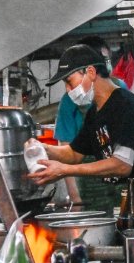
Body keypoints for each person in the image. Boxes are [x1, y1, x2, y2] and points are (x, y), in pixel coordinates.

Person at [29, 44, 134, 186]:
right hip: (125, 192)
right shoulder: (94, 113)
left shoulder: (125, 105)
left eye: (69, 81)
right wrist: (42, 148)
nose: (68, 89)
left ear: (91, 72)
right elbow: (74, 153)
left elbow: (122, 165)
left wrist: (66, 170)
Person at [51, 36, 129, 207]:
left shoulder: (121, 90)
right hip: (90, 185)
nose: (106, 65)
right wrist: (76, 199)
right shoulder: (69, 102)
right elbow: (68, 152)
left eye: (107, 60)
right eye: (102, 59)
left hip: (122, 178)